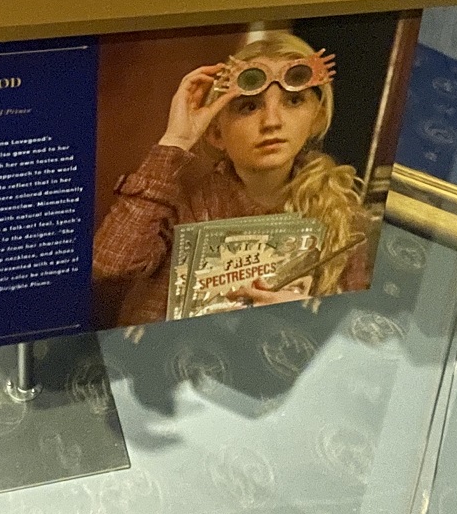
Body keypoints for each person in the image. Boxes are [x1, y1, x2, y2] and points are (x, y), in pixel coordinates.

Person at [92, 31, 370, 326]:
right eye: (249, 106)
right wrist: (176, 141)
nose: (272, 121)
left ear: (316, 118)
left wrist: (309, 314)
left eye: (293, 100)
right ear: (216, 133)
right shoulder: (184, 206)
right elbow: (110, 265)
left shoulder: (341, 214)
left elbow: (352, 326)